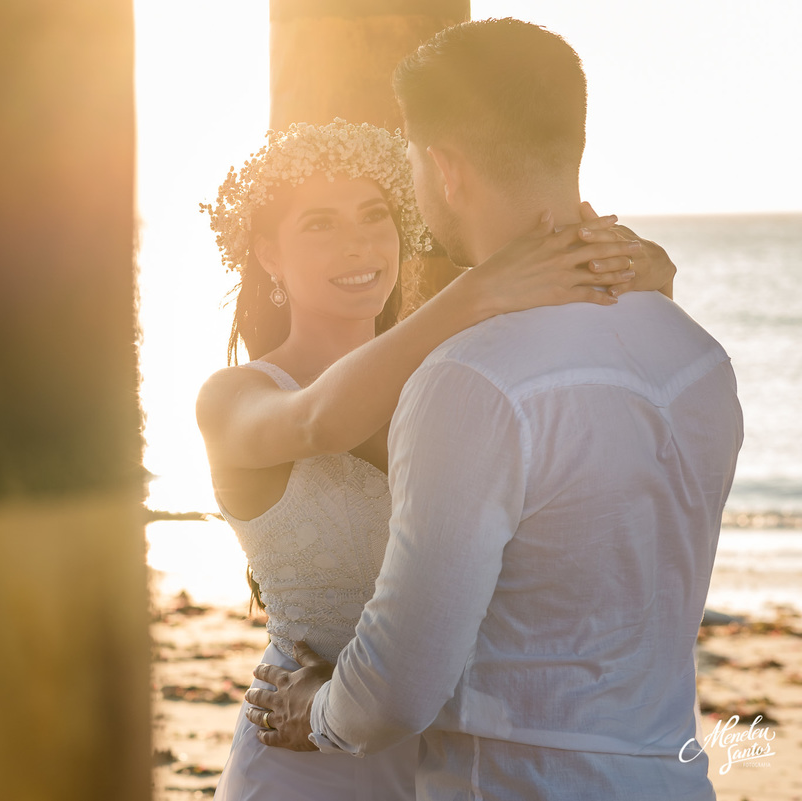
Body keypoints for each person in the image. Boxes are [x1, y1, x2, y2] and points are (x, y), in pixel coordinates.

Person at [246, 19, 743, 801]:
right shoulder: (699, 358)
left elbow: (400, 686)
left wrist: (316, 713)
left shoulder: (471, 379)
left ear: (442, 168)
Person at [197, 115, 676, 799]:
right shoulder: (234, 397)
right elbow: (320, 420)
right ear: (267, 255)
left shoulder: (456, 377)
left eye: (374, 215)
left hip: (463, 756)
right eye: (320, 224)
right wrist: (480, 290)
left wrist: (642, 268)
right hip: (305, 754)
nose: (358, 242)